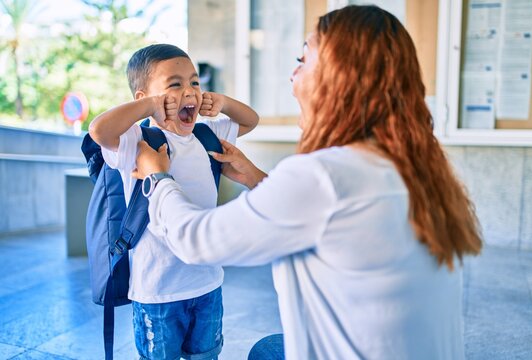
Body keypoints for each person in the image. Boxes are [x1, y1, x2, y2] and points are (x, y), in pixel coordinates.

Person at [132, 6, 482, 360]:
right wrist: (256, 178)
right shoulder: (414, 165)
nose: (292, 76)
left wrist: (157, 176)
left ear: (338, 79)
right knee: (270, 349)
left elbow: (196, 241)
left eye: (302, 60)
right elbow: (327, 215)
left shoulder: (324, 175)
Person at [89, 43, 259, 360]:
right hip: (157, 289)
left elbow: (250, 120)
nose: (190, 92)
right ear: (145, 98)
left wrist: (222, 102)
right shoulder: (136, 143)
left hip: (207, 282)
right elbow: (99, 130)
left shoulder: (207, 134)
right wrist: (151, 106)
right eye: (175, 85)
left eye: (194, 82)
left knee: (206, 354)